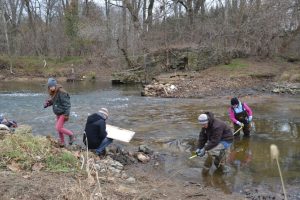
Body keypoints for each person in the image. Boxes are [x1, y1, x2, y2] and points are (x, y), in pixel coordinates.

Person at [43, 78, 75, 147]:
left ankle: (71, 135)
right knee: (59, 129)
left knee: (58, 127)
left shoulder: (61, 92)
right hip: (58, 113)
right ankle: (62, 143)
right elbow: (54, 101)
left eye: (52, 86)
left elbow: (67, 104)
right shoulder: (54, 92)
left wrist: (66, 115)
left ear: (55, 85)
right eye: (50, 87)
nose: (51, 88)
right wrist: (48, 104)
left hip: (63, 113)